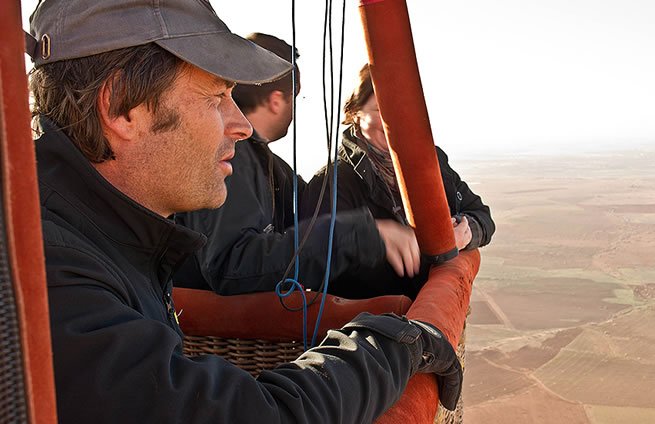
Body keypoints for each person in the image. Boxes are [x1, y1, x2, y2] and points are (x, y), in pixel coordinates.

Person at [27, 1, 462, 423]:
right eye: (216, 97)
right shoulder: (42, 272)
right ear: (122, 106)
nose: (242, 125)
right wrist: (393, 344)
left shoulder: (98, 234)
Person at [175, 33, 422, 295]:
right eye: (296, 96)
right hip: (218, 331)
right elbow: (232, 267)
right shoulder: (230, 161)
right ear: (276, 100)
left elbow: (309, 220)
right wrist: (359, 234)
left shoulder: (272, 168)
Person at [301, 63, 496, 299]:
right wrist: (427, 245)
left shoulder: (432, 161)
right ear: (355, 113)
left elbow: (482, 216)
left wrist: (465, 231)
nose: (392, 119)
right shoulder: (331, 183)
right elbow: (321, 263)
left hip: (430, 320)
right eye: (379, 109)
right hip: (371, 327)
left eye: (400, 107)